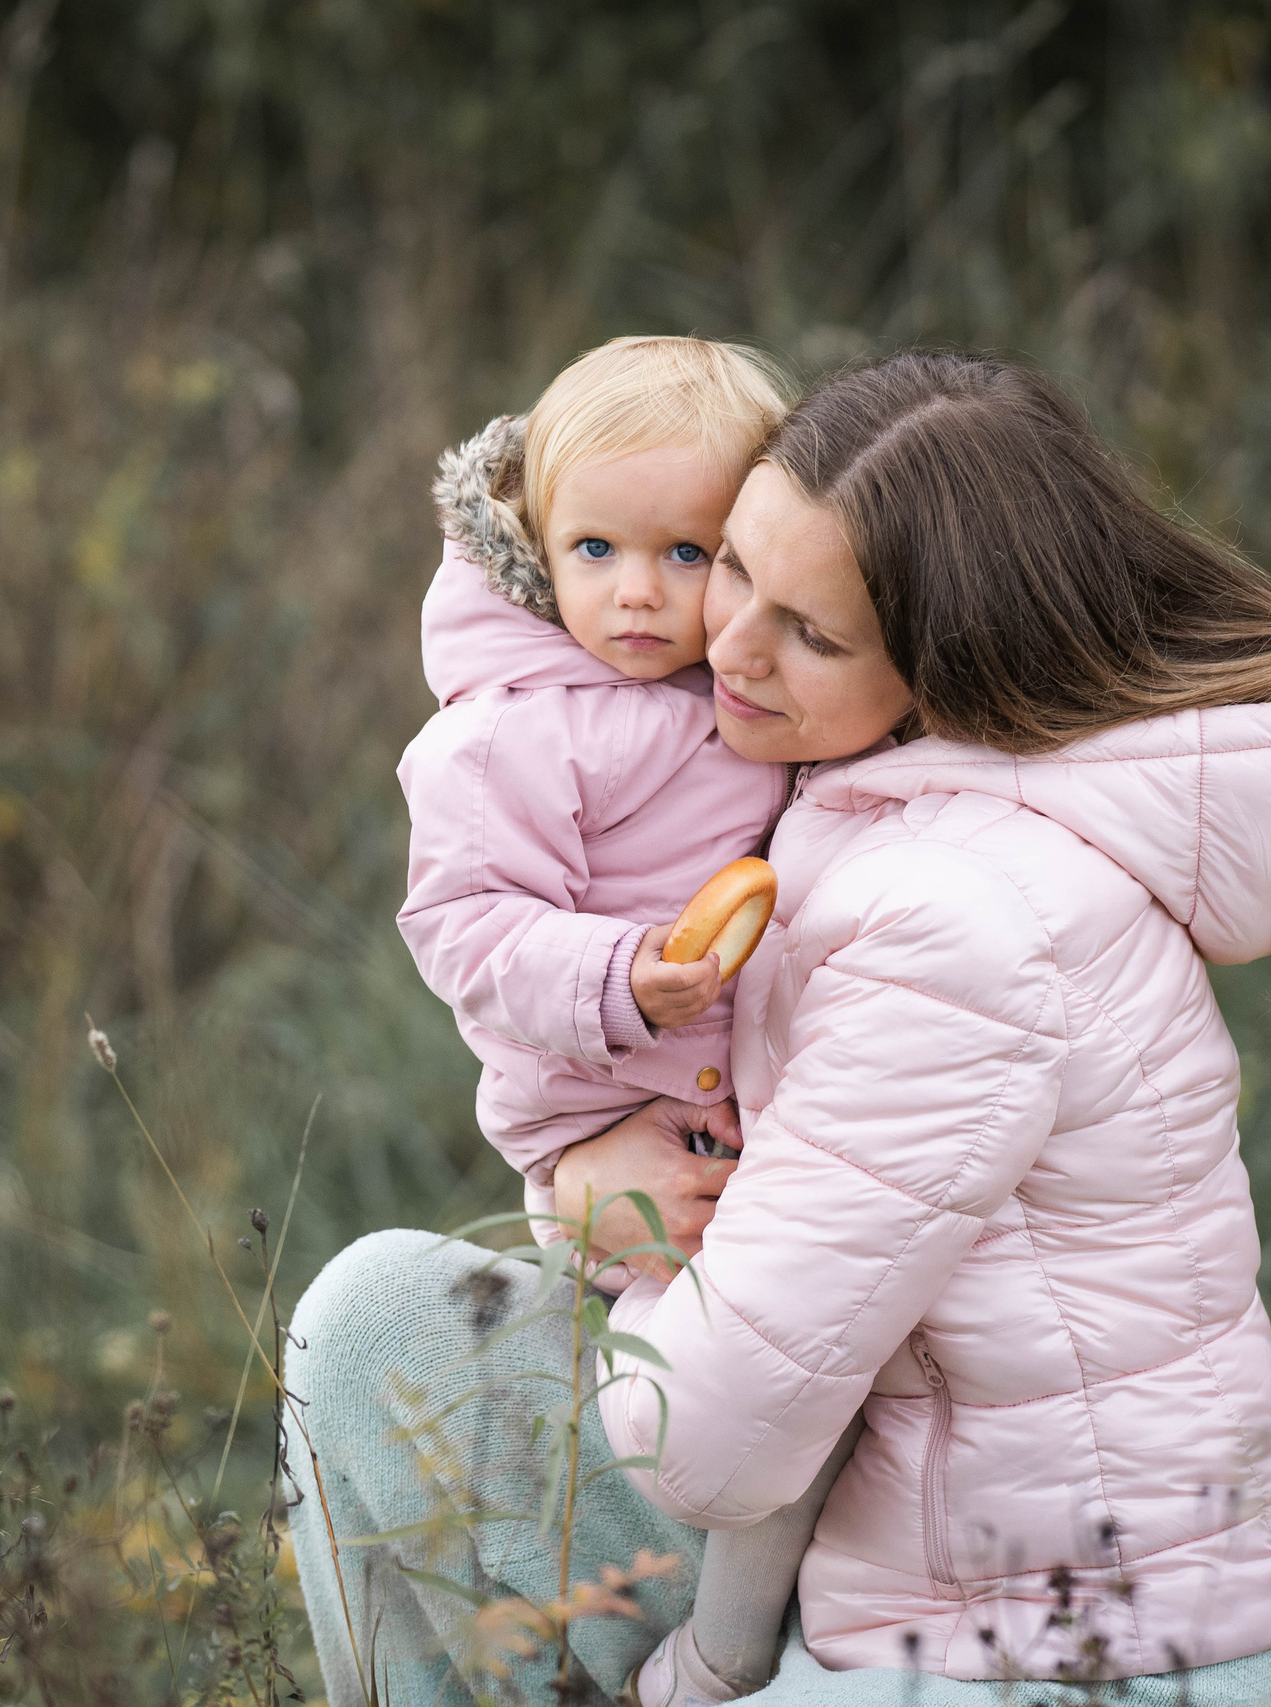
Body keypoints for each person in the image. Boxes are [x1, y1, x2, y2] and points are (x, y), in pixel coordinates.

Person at [289, 349, 1271, 1706]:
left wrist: (603, 1219)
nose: (728, 644)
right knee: (374, 1324)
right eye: (736, 573)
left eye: (812, 634)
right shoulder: (871, 795)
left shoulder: (958, 921)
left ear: (944, 668)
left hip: (1074, 1657)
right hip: (901, 1549)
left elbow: (717, 1439)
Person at [395, 334, 856, 1695]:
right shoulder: (510, 730)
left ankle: (741, 1625)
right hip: (612, 1107)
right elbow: (460, 924)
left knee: (796, 1364)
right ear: (535, 541)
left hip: (732, 1109)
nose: (640, 595)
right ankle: (713, 1653)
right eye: (594, 550)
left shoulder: (743, 679)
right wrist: (616, 976)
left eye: (687, 554)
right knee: (736, 1379)